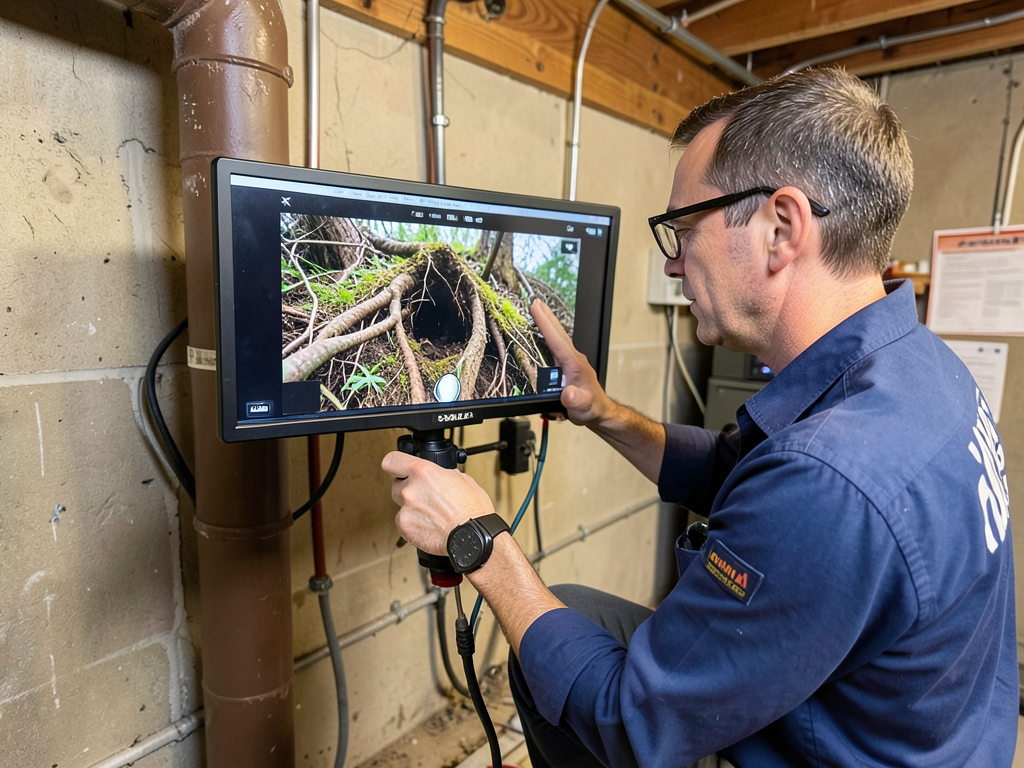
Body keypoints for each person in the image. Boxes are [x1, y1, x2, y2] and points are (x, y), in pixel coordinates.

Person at [382, 68, 1018, 767]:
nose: (677, 264)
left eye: (683, 230)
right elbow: (732, 469)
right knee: (573, 614)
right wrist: (602, 413)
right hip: (924, 726)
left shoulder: (832, 476)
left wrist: (480, 540)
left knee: (555, 663)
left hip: (838, 751)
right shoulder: (918, 366)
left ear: (781, 227)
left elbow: (631, 723)